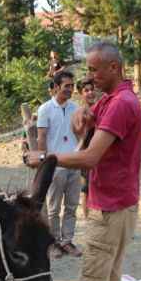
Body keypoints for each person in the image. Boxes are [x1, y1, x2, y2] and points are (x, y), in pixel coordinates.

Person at [26, 41, 141, 281]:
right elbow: (86, 135)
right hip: (123, 203)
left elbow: (89, 158)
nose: (87, 77)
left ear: (113, 68)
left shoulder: (120, 104)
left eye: (93, 70)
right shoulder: (112, 99)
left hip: (108, 208)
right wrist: (82, 122)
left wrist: (46, 157)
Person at [37, 70, 82, 260]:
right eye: (67, 86)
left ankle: (67, 240)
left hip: (74, 163)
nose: (71, 90)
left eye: (72, 86)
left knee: (71, 205)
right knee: (54, 207)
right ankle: (53, 242)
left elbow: (81, 134)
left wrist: (81, 154)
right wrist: (44, 163)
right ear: (56, 87)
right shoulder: (45, 109)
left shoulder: (75, 108)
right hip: (55, 165)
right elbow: (41, 137)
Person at [76, 76, 98, 219]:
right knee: (87, 190)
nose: (90, 93)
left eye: (91, 90)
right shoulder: (81, 112)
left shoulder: (99, 108)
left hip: (102, 155)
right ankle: (88, 219)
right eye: (86, 90)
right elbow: (80, 137)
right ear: (81, 93)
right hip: (86, 156)